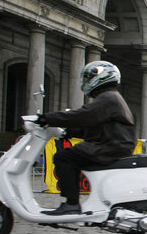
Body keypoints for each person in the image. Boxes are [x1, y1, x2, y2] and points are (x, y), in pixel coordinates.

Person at [35, 61, 135, 215]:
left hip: (111, 146)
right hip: (114, 143)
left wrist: (47, 118)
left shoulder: (107, 97)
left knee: (64, 158)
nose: (86, 82)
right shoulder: (110, 97)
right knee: (71, 156)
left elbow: (82, 115)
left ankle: (71, 203)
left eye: (89, 77)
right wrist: (71, 132)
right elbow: (95, 125)